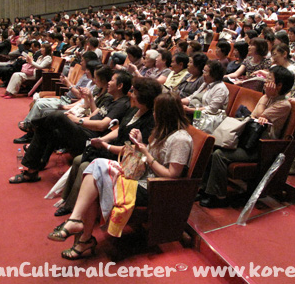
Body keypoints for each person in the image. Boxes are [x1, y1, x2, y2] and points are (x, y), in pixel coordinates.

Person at [47, 92, 193, 260]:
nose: (153, 113)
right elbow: (149, 156)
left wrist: (145, 152)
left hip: (153, 188)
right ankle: (77, 224)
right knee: (96, 168)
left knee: (95, 179)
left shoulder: (180, 139)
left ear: (164, 113)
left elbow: (172, 175)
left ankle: (81, 234)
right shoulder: (162, 131)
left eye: (156, 110)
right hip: (142, 178)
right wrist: (140, 144)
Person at [54, 77, 162, 217]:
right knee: (77, 160)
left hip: (127, 159)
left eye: (134, 91)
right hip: (113, 147)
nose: (130, 93)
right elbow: (119, 130)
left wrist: (106, 146)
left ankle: (74, 208)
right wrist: (101, 139)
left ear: (143, 96)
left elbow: (137, 149)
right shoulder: (133, 110)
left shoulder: (150, 120)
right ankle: (66, 198)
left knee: (83, 165)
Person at [8, 70, 132, 183]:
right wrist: (76, 118)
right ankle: (32, 171)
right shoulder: (110, 99)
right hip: (83, 130)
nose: (109, 82)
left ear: (120, 86)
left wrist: (76, 121)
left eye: (112, 80)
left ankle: (32, 125)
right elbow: (93, 115)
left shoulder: (122, 104)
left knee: (58, 116)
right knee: (48, 130)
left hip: (90, 139)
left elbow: (101, 125)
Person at [198, 66, 295, 208]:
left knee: (219, 154)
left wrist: (265, 96)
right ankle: (206, 190)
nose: (265, 82)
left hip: (260, 148)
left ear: (279, 85)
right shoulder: (267, 98)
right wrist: (264, 101)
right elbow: (254, 116)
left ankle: (219, 196)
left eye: (269, 80)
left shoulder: (283, 105)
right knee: (213, 146)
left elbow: (259, 115)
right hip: (247, 140)